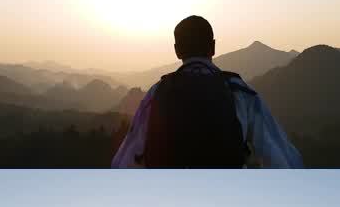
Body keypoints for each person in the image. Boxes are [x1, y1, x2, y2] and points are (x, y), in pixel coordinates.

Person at [113, 15, 303, 168]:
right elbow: (283, 159)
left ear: (177, 51)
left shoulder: (157, 92)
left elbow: (123, 162)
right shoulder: (239, 92)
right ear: (213, 46)